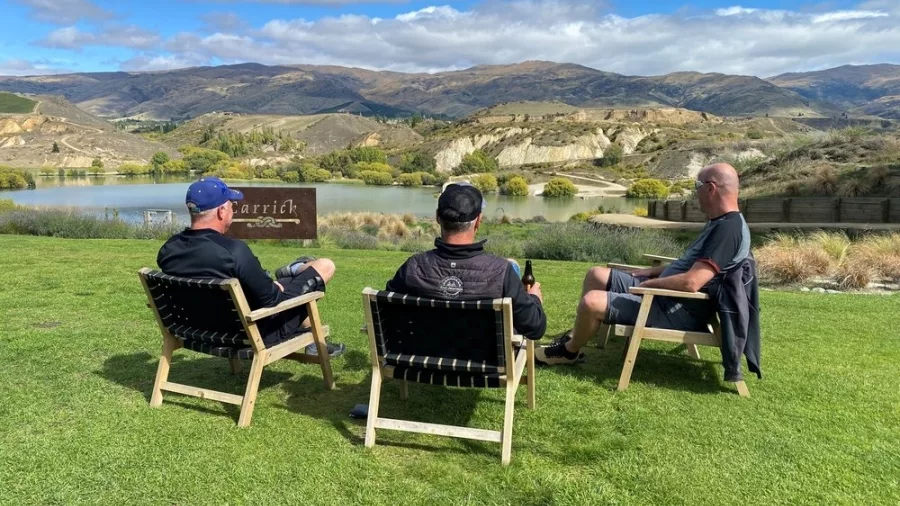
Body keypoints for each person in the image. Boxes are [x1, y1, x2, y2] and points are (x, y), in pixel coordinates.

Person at [536, 163, 750, 365]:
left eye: (697, 186)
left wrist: (649, 285)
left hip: (677, 309)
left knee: (591, 302)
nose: (695, 192)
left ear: (711, 188)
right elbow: (690, 267)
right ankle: (578, 333)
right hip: (667, 296)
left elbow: (692, 283)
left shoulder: (727, 231)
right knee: (596, 275)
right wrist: (652, 272)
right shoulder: (720, 223)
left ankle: (568, 352)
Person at [157, 177, 345, 357]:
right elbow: (272, 300)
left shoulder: (168, 250)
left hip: (198, 328)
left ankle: (293, 273)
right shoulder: (233, 252)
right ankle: (296, 270)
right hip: (255, 333)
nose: (233, 210)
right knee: (324, 266)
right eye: (232, 205)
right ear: (222, 211)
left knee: (287, 282)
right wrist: (275, 287)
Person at [386, 182, 546, 340]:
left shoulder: (413, 267)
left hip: (423, 362)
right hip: (485, 364)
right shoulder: (501, 272)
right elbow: (535, 328)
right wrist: (534, 299)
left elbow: (387, 313)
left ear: (437, 217)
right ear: (478, 221)